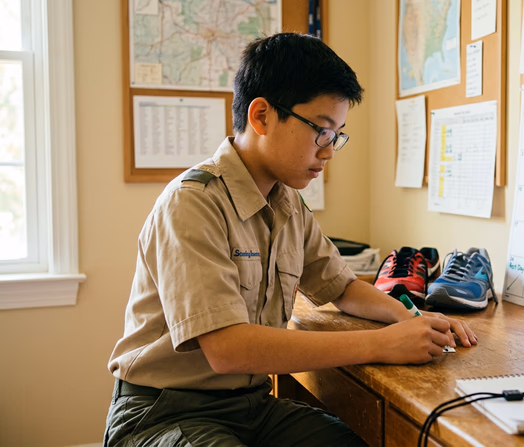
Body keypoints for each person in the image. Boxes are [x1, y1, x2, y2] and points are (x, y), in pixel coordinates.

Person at [104, 33, 477, 447]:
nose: (329, 151)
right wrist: (383, 343)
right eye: (322, 130)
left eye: (337, 135)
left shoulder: (288, 203)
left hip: (250, 405)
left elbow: (344, 287)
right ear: (262, 116)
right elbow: (229, 350)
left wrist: (411, 322)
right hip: (162, 413)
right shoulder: (192, 203)